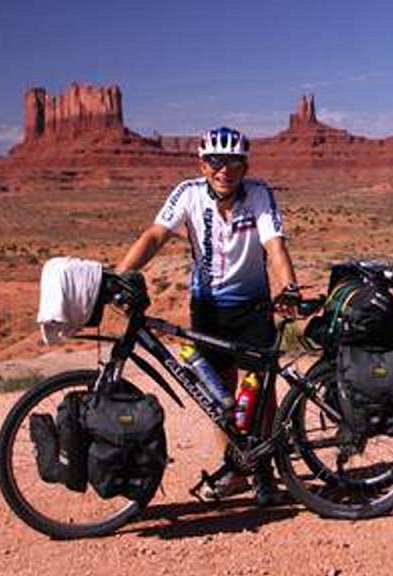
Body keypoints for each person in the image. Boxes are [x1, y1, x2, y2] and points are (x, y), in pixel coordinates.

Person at [116, 126, 299, 506]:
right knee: (218, 395)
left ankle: (265, 469)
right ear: (203, 165)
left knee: (259, 390)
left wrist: (289, 287)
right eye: (216, 161)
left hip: (253, 306)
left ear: (244, 165)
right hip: (208, 308)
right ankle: (234, 466)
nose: (224, 169)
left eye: (233, 162)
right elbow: (155, 235)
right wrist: (118, 277)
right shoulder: (188, 193)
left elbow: (275, 247)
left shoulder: (259, 194)